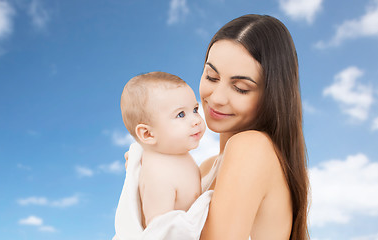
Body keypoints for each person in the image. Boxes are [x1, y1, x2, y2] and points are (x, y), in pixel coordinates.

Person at [197, 14, 310, 240]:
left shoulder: (251, 147)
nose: (217, 97)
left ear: (272, 95)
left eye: (240, 88)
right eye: (211, 76)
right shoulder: (206, 168)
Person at [120, 71, 206, 228]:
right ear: (147, 134)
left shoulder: (176, 154)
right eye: (181, 114)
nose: (196, 120)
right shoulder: (159, 176)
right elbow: (160, 231)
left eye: (194, 110)